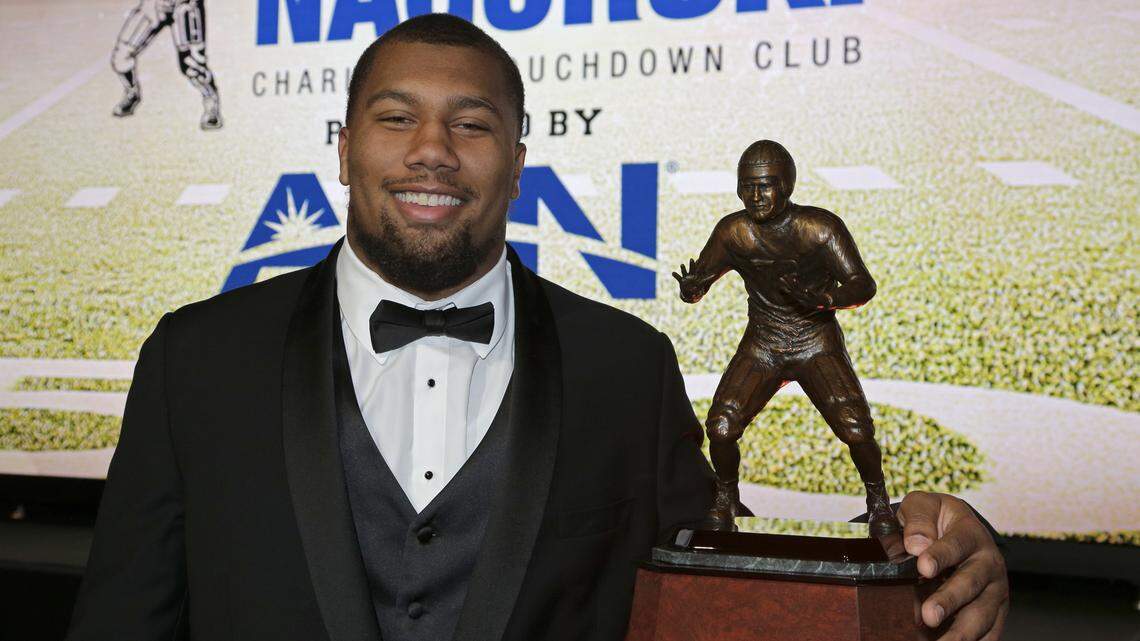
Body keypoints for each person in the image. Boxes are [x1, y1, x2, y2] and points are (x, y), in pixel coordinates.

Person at [68, 14, 1008, 641]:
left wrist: (924, 575)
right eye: (396, 117)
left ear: (518, 162)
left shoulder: (626, 368)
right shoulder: (196, 359)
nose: (432, 149)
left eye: (471, 125)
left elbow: (715, 605)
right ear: (345, 148)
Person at [674, 140, 895, 535]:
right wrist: (691, 287)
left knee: (857, 428)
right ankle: (725, 499)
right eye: (747, 187)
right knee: (722, 426)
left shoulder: (820, 227)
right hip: (765, 342)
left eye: (765, 186)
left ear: (787, 186)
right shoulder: (733, 231)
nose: (755, 196)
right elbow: (698, 285)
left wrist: (825, 299)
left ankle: (878, 501)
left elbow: (862, 284)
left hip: (814, 340)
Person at [110, 0, 222, 129]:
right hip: (153, 5)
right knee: (121, 57)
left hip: (185, 6)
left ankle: (211, 102)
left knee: (192, 64)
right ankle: (132, 93)